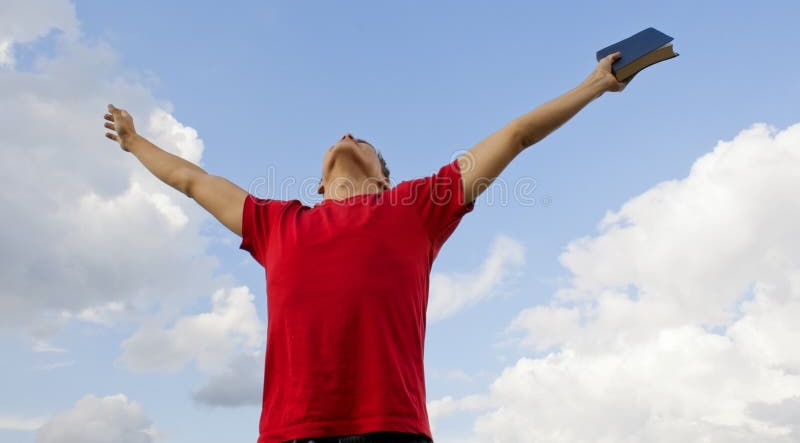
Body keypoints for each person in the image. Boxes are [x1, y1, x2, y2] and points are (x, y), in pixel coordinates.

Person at [103, 52, 630, 443]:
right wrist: (133, 141)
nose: (349, 133)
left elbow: (515, 135)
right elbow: (193, 180)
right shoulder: (275, 223)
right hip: (291, 433)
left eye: (367, 142)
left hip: (391, 431)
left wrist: (593, 85)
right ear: (317, 184)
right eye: (342, 137)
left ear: (382, 180)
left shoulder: (416, 208)